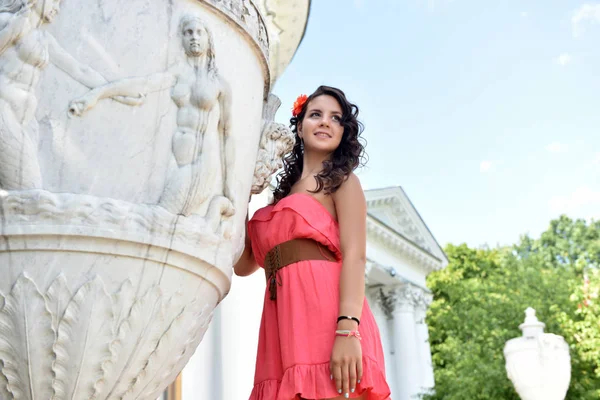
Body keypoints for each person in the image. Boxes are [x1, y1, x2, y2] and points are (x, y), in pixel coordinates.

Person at [235, 86, 391, 400]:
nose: (325, 122)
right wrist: (238, 191)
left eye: (335, 118)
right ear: (300, 125)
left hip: (330, 319)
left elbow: (355, 256)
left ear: (343, 132)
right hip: (282, 326)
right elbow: (242, 266)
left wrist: (348, 329)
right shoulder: (274, 202)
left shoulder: (343, 182)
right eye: (315, 114)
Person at [68, 15, 234, 217]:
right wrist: (98, 94)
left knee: (161, 217)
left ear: (209, 39)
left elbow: (227, 135)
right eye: (188, 32)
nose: (194, 37)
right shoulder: (178, 73)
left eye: (199, 32)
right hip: (178, 161)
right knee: (160, 219)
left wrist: (230, 189)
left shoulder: (219, 84)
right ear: (181, 38)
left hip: (202, 163)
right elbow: (144, 84)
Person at [0, 0, 139, 190]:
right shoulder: (7, 20)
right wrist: (11, 31)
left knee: (26, 192)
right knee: (27, 189)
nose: (57, 8)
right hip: (3, 108)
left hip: (25, 120)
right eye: (55, 1)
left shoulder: (44, 39)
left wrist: (116, 91)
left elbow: (79, 70)